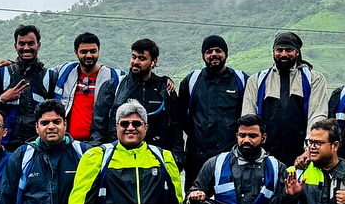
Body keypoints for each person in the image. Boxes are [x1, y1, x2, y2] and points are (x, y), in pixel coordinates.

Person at [71, 101, 185, 204]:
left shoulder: (164, 158)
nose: (130, 127)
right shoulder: (96, 157)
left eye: (137, 123)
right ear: (116, 127)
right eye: (124, 123)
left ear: (146, 127)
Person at [241, 31, 330, 165]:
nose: (283, 54)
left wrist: (309, 151)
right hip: (264, 157)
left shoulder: (314, 79)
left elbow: (317, 116)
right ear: (273, 52)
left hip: (302, 155)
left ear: (297, 53)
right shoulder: (257, 81)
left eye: (289, 50)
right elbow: (248, 118)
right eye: (279, 50)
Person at [91, 38, 183, 158]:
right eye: (133, 57)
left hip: (156, 160)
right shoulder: (114, 87)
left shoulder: (165, 90)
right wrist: (99, 157)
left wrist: (177, 159)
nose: (135, 62)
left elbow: (175, 128)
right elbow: (99, 125)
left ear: (153, 62)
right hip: (119, 159)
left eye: (142, 58)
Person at [178, 35, 250, 183]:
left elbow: (248, 116)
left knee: (227, 200)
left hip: (231, 156)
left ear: (226, 54)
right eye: (209, 51)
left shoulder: (241, 80)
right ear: (203, 55)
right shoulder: (191, 81)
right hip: (197, 157)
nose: (214, 54)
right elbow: (180, 117)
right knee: (195, 200)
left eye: (218, 50)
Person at [0, 24, 60, 148]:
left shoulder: (50, 77)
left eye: (31, 43)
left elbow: (60, 113)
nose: (26, 48)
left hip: (39, 148)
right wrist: (1, 99)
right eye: (21, 44)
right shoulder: (1, 74)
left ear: (38, 45)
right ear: (15, 46)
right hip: (4, 148)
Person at [56, 32, 123, 144]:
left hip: (100, 144)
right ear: (76, 53)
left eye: (93, 51)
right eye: (84, 52)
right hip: (69, 143)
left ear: (99, 51)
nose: (89, 55)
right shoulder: (66, 72)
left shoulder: (113, 77)